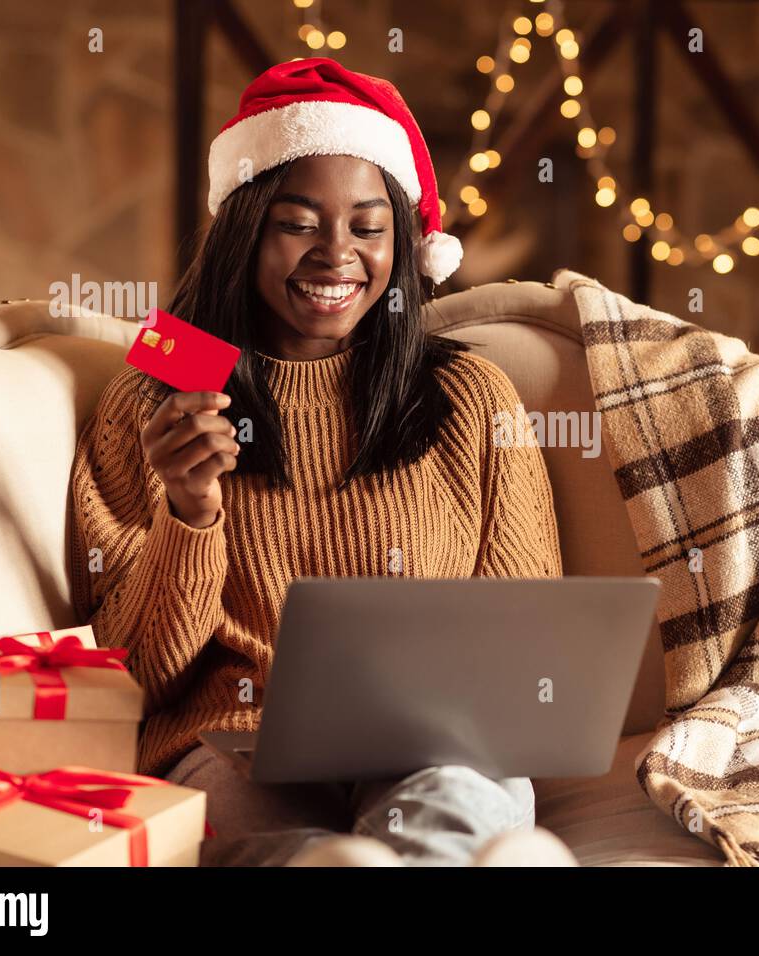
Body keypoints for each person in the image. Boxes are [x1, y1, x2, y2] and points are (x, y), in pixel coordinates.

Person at [68, 58, 575, 866]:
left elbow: (531, 642)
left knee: (465, 819)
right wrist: (191, 515)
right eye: (298, 223)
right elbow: (130, 681)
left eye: (369, 228)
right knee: (329, 860)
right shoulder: (150, 403)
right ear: (246, 230)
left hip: (435, 751)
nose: (337, 255)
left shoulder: (472, 398)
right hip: (236, 747)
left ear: (402, 243)